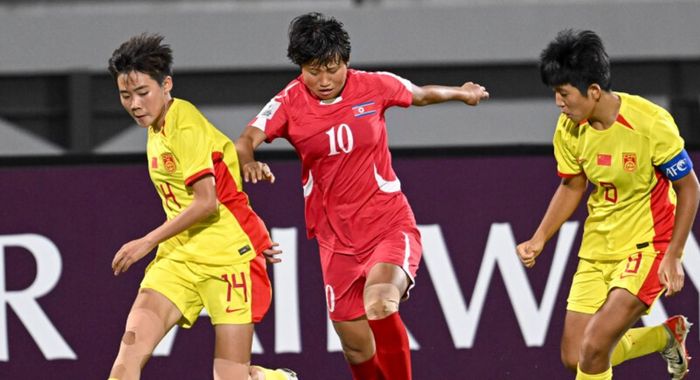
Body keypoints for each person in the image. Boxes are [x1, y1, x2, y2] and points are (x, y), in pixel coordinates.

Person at [236, 12, 489, 380]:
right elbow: (245, 139)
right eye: (312, 70)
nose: (323, 80)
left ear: (346, 62)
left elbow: (420, 95)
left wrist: (462, 93)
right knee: (355, 346)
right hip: (335, 241)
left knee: (381, 303)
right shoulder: (288, 102)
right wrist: (248, 161)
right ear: (300, 68)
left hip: (388, 225)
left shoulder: (374, 85)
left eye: (332, 68)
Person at [107, 33, 296, 380]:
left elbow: (207, 202)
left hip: (226, 260)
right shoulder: (155, 129)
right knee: (127, 356)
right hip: (178, 258)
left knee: (230, 376)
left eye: (142, 93)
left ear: (166, 85)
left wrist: (146, 242)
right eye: (125, 95)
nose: (134, 104)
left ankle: (272, 378)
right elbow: (226, 180)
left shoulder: (185, 124)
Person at [516, 29, 700, 380]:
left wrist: (674, 255)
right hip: (597, 248)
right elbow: (572, 186)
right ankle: (665, 336)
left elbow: (689, 187)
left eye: (564, 93)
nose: (558, 102)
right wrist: (540, 238)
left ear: (594, 91)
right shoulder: (569, 128)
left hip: (648, 247)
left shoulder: (650, 123)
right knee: (576, 356)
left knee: (595, 347)